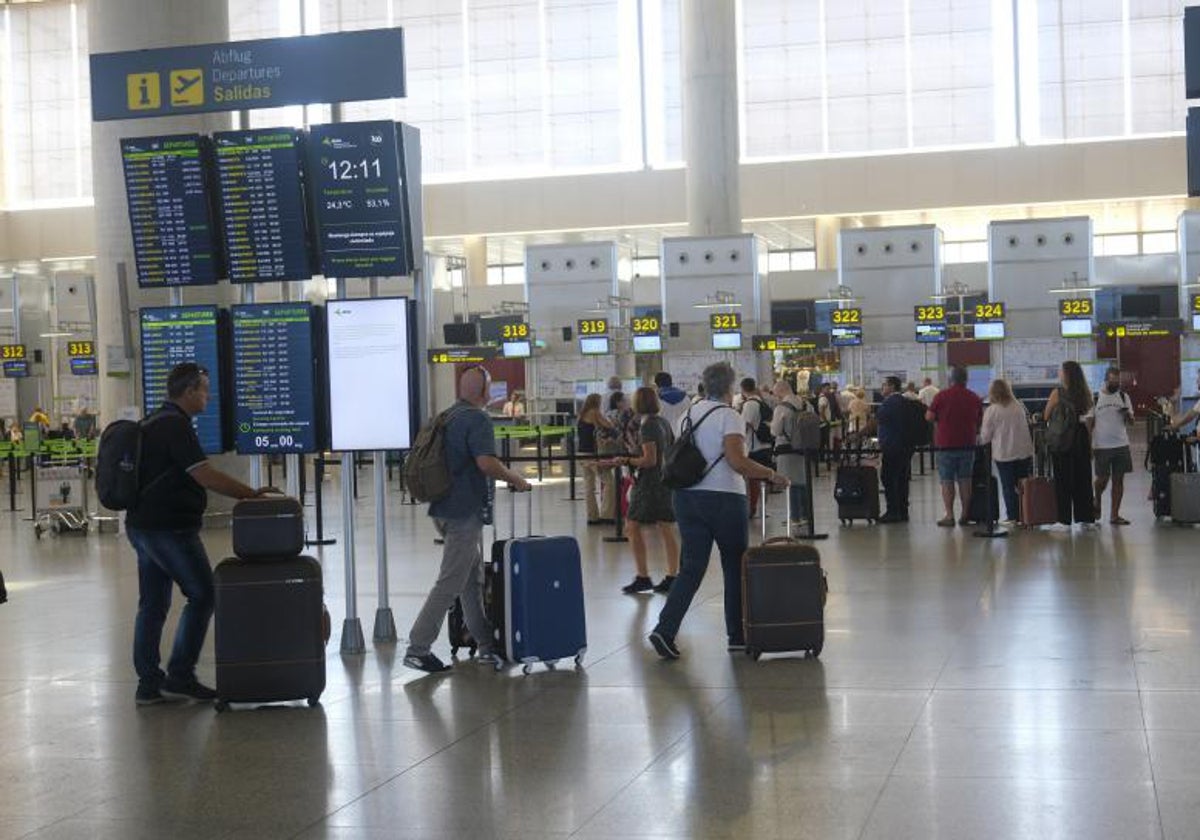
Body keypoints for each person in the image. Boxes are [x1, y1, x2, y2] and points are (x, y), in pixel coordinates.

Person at [126, 363, 271, 706]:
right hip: (169, 528)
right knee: (204, 594)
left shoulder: (153, 420)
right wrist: (251, 494)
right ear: (189, 391)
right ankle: (179, 675)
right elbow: (205, 475)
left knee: (153, 604)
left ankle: (148, 684)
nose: (209, 395)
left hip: (142, 525)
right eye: (204, 389)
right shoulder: (176, 426)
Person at [648, 362, 788, 660]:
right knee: (734, 567)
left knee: (691, 568)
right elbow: (737, 462)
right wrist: (770, 474)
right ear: (729, 387)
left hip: (686, 498)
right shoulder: (729, 416)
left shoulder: (687, 415)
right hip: (724, 499)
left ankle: (665, 629)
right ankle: (736, 636)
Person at [405, 366, 531, 674]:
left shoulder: (445, 417)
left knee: (470, 579)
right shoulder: (477, 418)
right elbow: (486, 462)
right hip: (463, 512)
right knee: (450, 581)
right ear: (485, 392)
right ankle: (418, 648)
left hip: (443, 509)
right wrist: (516, 478)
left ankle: (485, 643)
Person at [608, 387, 679, 595]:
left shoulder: (647, 425)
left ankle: (643, 576)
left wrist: (628, 459)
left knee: (632, 526)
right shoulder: (663, 422)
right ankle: (672, 575)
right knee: (666, 527)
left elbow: (650, 460)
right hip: (665, 481)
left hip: (649, 483)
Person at [927, 365, 984, 527]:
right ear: (966, 379)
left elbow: (929, 417)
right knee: (965, 480)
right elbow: (980, 421)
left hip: (946, 444)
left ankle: (949, 515)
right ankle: (965, 514)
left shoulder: (941, 396)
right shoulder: (974, 397)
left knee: (947, 480)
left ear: (951, 379)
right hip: (967, 443)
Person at [1043, 360, 1096, 528]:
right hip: (1081, 437)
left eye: (1061, 371)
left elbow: (1046, 415)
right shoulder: (1085, 393)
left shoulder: (1057, 393)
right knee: (1083, 479)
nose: (1059, 373)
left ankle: (1063, 520)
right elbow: (1088, 421)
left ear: (1066, 374)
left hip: (1063, 439)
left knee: (1063, 479)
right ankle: (1086, 518)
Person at [980, 379, 1034, 524]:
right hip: (1024, 451)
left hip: (1004, 454)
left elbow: (985, 437)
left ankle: (1012, 517)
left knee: (1008, 486)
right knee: (1023, 485)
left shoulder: (992, 410)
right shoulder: (1018, 406)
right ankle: (1026, 514)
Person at [1088, 366, 1134, 525]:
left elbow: (1132, 422)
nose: (1116, 384)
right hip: (1101, 446)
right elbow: (1089, 423)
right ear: (1106, 380)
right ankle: (1097, 497)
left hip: (1121, 444)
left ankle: (1114, 515)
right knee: (1102, 479)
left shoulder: (1123, 396)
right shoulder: (1095, 397)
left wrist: (1127, 414)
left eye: (1118, 381)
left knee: (1118, 480)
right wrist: (1089, 445)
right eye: (1113, 380)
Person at [771, 379, 814, 524]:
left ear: (780, 391)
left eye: (775, 393)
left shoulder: (781, 408)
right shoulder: (806, 404)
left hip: (785, 449)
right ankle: (805, 515)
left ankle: (794, 517)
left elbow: (776, 431)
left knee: (790, 482)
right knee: (803, 480)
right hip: (804, 447)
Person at [875, 376, 912, 523]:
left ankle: (893, 511)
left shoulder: (890, 402)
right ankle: (903, 510)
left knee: (888, 477)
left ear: (891, 386)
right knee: (902, 478)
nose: (882, 388)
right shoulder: (904, 401)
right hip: (905, 445)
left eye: (884, 385)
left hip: (892, 446)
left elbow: (878, 419)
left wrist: (858, 434)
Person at [578, 393, 616, 524]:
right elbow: (609, 425)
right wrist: (611, 420)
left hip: (582, 454)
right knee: (609, 482)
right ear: (596, 402)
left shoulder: (581, 415)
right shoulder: (594, 412)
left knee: (589, 485)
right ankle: (607, 514)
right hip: (593, 455)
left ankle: (592, 516)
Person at [739, 378, 773, 519]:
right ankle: (762, 508)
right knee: (763, 477)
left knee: (753, 479)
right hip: (765, 444)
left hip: (754, 446)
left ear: (743, 389)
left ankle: (751, 509)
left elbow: (744, 425)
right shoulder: (761, 402)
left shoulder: (749, 405)